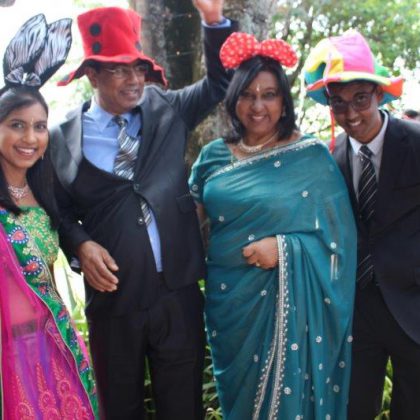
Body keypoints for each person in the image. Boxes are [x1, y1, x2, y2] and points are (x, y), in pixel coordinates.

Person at [49, 2, 236, 419]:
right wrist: (80, 244)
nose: (134, 80)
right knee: (120, 408)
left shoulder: (168, 108)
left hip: (177, 294)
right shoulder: (60, 138)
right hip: (113, 302)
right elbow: (56, 211)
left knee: (183, 407)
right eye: (119, 70)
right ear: (92, 74)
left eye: (138, 68)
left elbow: (220, 83)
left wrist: (213, 21)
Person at [189, 32, 357, 420]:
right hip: (230, 305)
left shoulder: (310, 157)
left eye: (269, 95)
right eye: (247, 95)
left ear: (284, 103)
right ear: (233, 100)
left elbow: (340, 243)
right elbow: (187, 225)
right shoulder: (213, 156)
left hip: (286, 305)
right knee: (240, 403)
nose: (257, 106)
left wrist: (284, 249)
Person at [304, 30, 420, 419]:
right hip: (356, 311)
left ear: (379, 94)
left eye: (360, 99)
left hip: (414, 304)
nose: (351, 114)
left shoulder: (415, 142)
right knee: (353, 409)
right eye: (338, 103)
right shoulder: (329, 157)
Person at [0, 14, 98, 419]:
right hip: (8, 362)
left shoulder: (45, 197)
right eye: (16, 125)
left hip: (56, 346)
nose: (30, 138)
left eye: (39, 127)